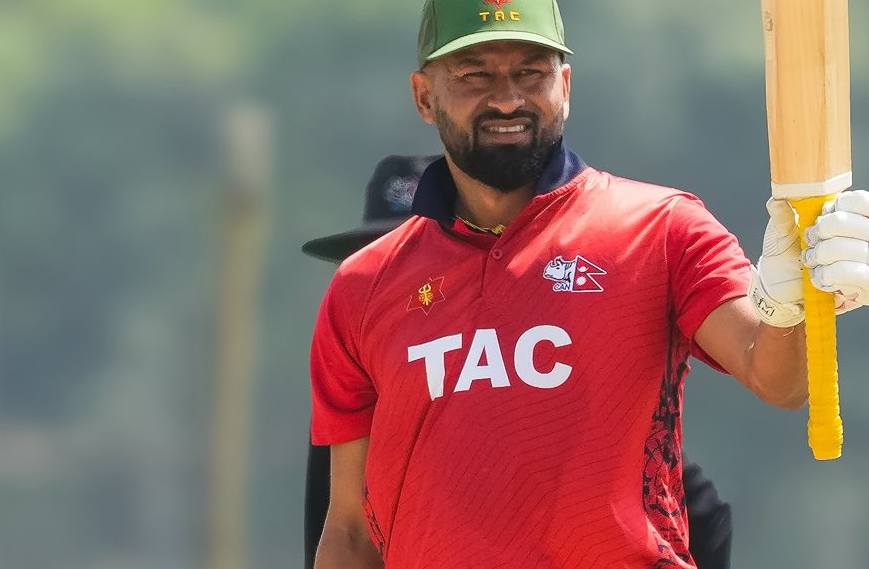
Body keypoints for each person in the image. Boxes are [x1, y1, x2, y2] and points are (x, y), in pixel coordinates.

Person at [308, 0, 869, 568]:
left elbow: (779, 380)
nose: (506, 98)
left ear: (565, 85)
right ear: (424, 97)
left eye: (530, 73)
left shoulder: (662, 227)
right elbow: (349, 531)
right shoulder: (362, 287)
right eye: (474, 74)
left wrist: (790, 307)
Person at [303, 156, 733, 569]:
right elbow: (340, 537)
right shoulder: (355, 367)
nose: (405, 277)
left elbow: (700, 512)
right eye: (376, 253)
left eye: (417, 248)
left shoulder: (543, 371)